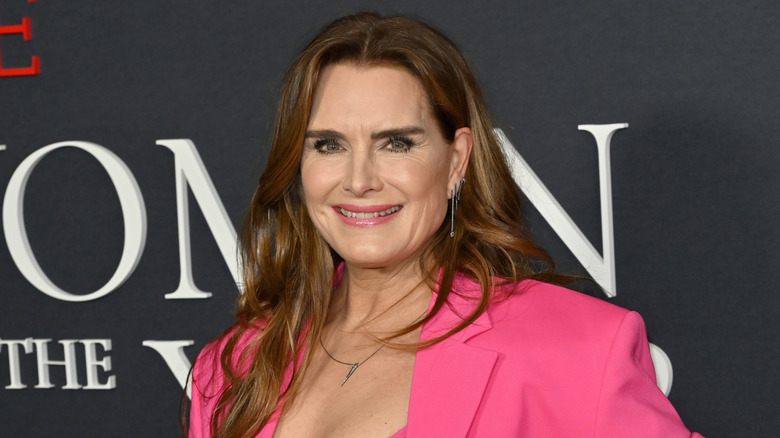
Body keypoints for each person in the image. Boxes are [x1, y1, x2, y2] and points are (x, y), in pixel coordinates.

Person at [189, 12, 705, 438]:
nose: (359, 180)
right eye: (329, 145)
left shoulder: (580, 350)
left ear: (457, 161)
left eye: (397, 143)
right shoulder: (235, 364)